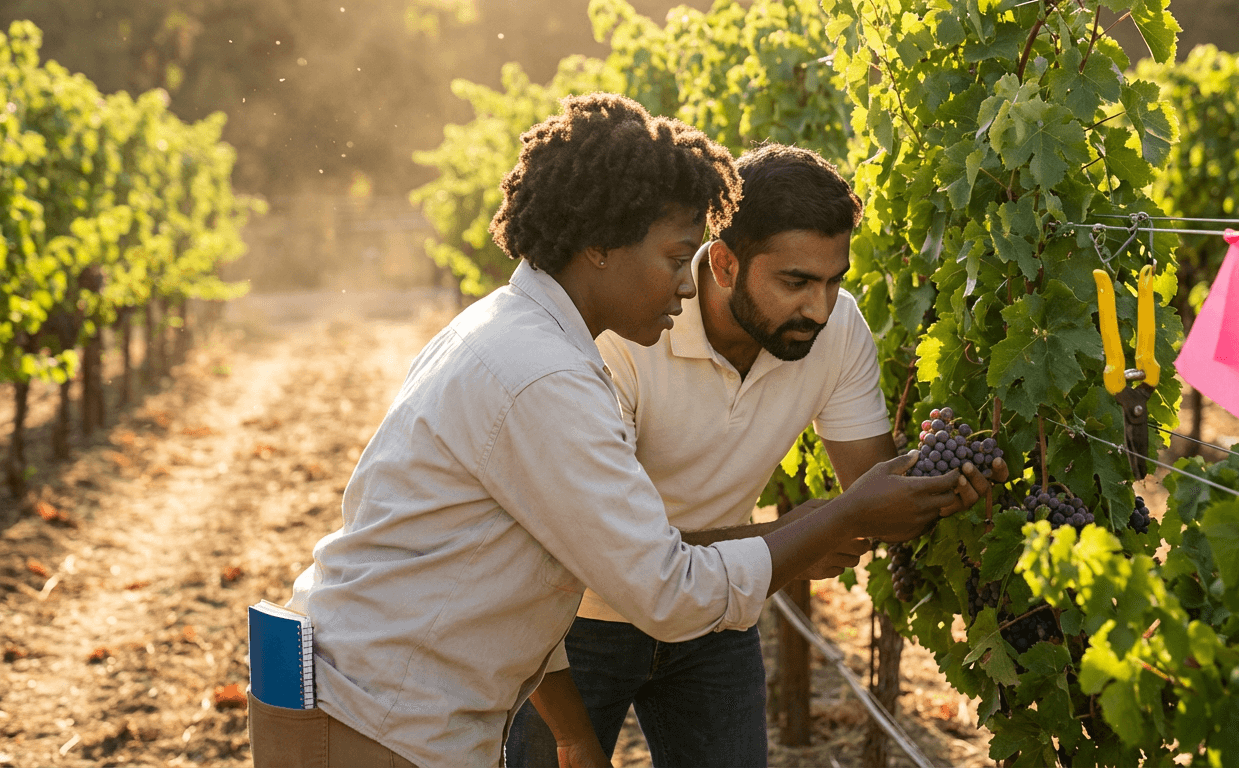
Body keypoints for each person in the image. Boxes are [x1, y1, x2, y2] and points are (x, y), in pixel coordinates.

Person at [246, 94, 988, 768]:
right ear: (599, 243)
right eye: (674, 257)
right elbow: (666, 590)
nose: (686, 282)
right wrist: (842, 516)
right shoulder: (546, 377)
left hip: (376, 706)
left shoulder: (521, 337)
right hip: (373, 722)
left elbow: (536, 566)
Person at [506, 144, 1008, 767]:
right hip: (577, 620)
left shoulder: (837, 330)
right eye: (795, 282)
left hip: (719, 615)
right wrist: (806, 531)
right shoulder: (625, 335)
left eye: (834, 281)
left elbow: (869, 494)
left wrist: (935, 481)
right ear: (722, 263)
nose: (820, 309)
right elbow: (622, 560)